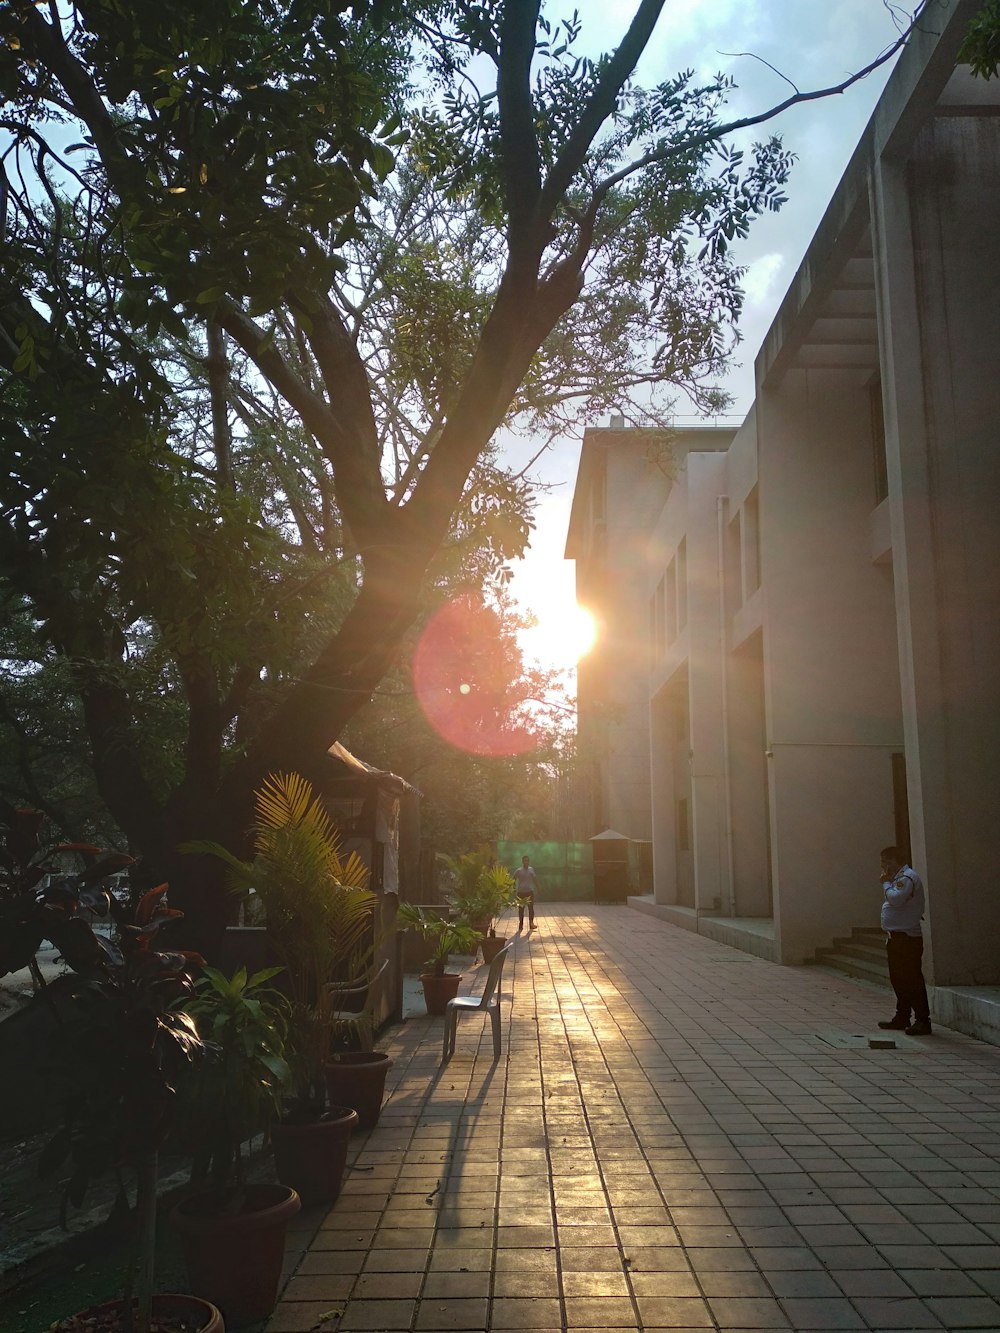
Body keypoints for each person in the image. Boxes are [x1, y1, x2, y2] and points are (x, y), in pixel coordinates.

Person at [877, 845, 932, 1035]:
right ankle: (902, 1016)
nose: (884, 866)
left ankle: (923, 1020)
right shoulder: (899, 878)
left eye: (886, 862)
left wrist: (885, 883)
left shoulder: (907, 877)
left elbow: (897, 899)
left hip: (906, 939)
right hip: (897, 938)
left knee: (912, 979)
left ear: (895, 860)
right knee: (899, 979)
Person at [513, 854, 536, 930]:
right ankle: (521, 924)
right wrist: (513, 888)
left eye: (527, 860)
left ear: (529, 861)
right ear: (522, 861)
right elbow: (513, 879)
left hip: (529, 892)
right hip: (521, 893)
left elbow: (535, 879)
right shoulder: (519, 870)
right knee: (521, 909)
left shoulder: (531, 869)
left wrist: (539, 887)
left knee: (531, 908)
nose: (526, 862)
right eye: (525, 860)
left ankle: (531, 923)